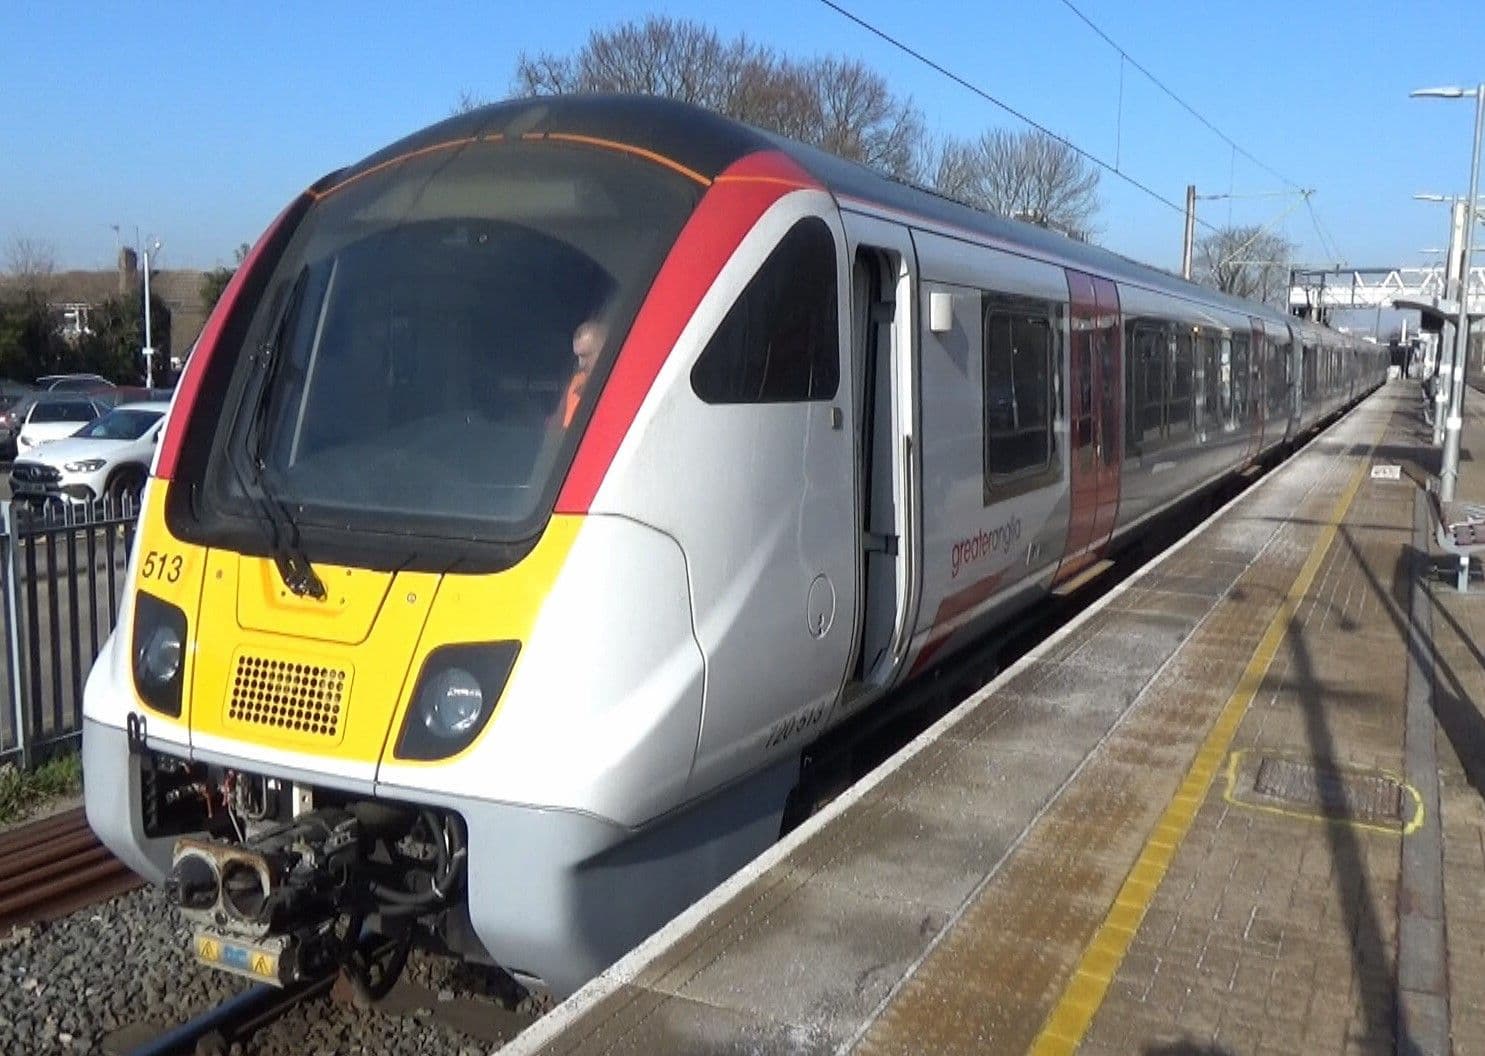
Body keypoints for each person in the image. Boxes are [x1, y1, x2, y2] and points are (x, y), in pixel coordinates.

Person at [559, 318, 607, 427]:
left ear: (605, 348)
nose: (581, 364)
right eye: (579, 357)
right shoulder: (576, 384)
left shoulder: (622, 381)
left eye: (586, 355)